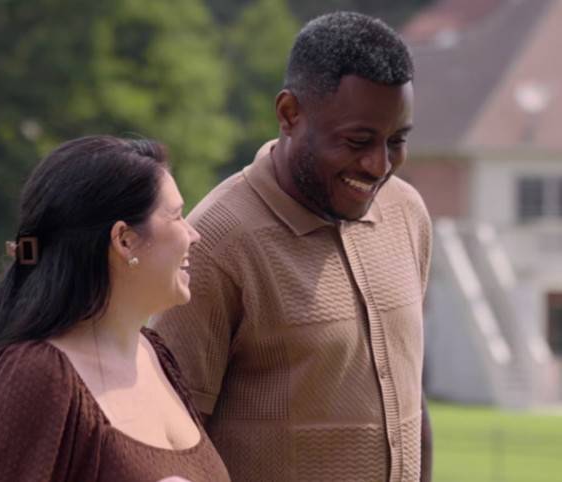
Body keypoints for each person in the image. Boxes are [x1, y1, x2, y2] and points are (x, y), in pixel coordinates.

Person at [152, 11, 432, 482]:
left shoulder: (407, 212)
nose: (380, 165)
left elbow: (409, 395)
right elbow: (169, 439)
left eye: (397, 141)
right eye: (358, 141)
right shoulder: (217, 244)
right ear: (289, 114)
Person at [0, 135, 230, 482]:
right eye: (177, 216)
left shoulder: (155, 354)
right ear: (124, 241)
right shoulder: (36, 375)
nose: (193, 235)